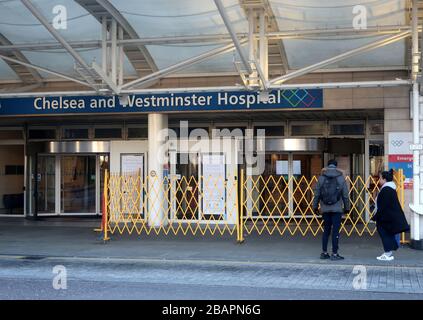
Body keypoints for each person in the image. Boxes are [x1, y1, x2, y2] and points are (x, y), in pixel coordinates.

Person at [313, 159, 350, 261]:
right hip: (337, 209)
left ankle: (324, 253)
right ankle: (334, 253)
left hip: (325, 209)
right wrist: (347, 208)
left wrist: (315, 207)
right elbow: (345, 195)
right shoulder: (341, 178)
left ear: (328, 165)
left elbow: (317, 194)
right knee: (336, 232)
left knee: (326, 231)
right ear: (336, 166)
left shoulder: (321, 178)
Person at [372, 169, 409, 261]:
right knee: (387, 233)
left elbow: (383, 206)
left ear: (384, 179)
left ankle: (388, 253)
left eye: (380, 178)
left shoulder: (386, 190)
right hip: (389, 217)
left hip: (386, 218)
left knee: (384, 233)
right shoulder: (389, 188)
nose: (379, 180)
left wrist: (375, 217)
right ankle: (389, 251)